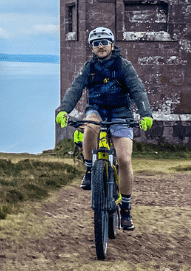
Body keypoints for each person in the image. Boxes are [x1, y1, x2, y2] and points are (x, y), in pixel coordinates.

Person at [55, 27, 153, 231]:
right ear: (92, 47)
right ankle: (90, 169)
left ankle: (125, 208)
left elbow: (137, 89)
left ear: (112, 44)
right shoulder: (88, 68)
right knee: (90, 126)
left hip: (121, 113)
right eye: (96, 43)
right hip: (96, 109)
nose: (100, 46)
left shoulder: (124, 66)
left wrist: (146, 114)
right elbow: (75, 89)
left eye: (104, 42)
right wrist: (64, 110)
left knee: (125, 159)